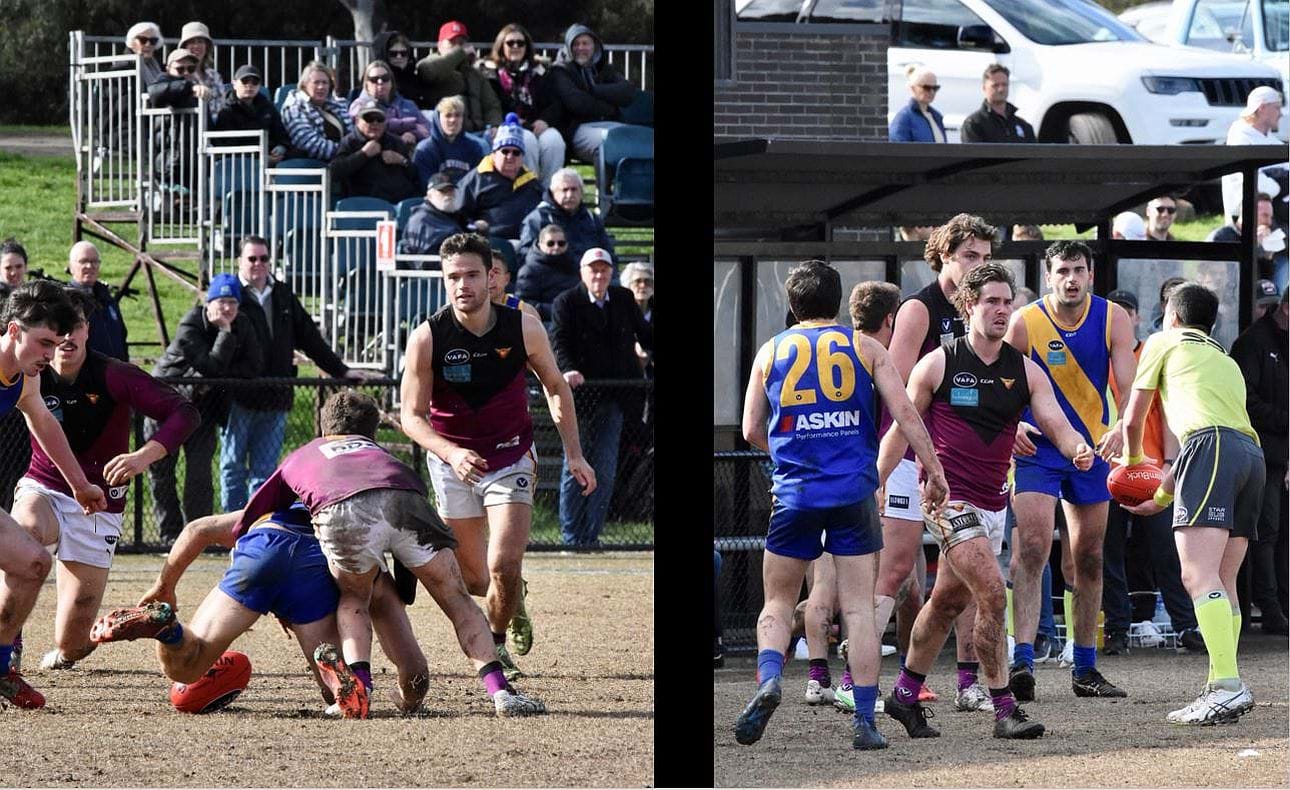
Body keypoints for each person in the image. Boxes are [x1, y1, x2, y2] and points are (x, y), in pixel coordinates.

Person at [732, 259, 950, 751]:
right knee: (857, 608)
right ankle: (866, 722)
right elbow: (905, 412)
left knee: (778, 601)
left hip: (795, 493)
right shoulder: (866, 346)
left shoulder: (771, 349)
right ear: (837, 301)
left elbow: (749, 429)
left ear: (792, 304)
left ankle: (770, 678)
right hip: (853, 492)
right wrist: (934, 469)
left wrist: (792, 454)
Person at [879, 263, 1094, 740]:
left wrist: (1076, 447)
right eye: (991, 301)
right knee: (995, 594)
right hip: (948, 502)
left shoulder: (1024, 369)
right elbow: (902, 428)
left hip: (995, 505)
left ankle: (904, 695)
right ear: (969, 306)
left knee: (944, 605)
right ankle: (1004, 708)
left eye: (1007, 301)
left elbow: (1055, 422)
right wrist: (874, 480)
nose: (1002, 310)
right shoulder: (939, 362)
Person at [235, 389, 548, 718]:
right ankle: (501, 693)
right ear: (371, 433)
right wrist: (406, 583)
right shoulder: (384, 457)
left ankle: (361, 685)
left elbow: (256, 510)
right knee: (458, 601)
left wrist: (241, 543)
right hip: (405, 497)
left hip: (344, 510)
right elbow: (406, 506)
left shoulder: (305, 453)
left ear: (324, 429)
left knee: (355, 597)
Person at [400, 233, 593, 680]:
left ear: (491, 278)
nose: (462, 284)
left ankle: (498, 644)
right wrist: (451, 453)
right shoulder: (427, 337)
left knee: (503, 564)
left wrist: (575, 456)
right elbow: (411, 417)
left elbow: (555, 387)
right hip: (453, 463)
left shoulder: (522, 326)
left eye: (471, 275)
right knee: (473, 579)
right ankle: (513, 598)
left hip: (510, 457)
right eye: (453, 277)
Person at [90, 505, 430, 716]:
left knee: (187, 667)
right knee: (336, 695)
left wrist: (165, 587)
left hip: (265, 541)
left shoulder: (270, 505)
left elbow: (198, 529)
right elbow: (407, 656)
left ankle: (167, 630)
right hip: (315, 559)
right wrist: (411, 696)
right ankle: (338, 674)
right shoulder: (350, 517)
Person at [12, 287, 198, 672]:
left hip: (100, 502)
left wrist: (144, 455)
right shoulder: (31, 369)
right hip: (45, 486)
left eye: (73, 326)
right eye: (55, 329)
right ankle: (9, 640)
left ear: (87, 330)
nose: (64, 337)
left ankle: (117, 633)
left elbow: (184, 412)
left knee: (75, 642)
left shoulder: (114, 374)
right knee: (24, 530)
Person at [1120, 283, 1265, 724]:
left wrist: (1130, 466)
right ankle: (1223, 682)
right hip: (1250, 456)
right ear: (1212, 322)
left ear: (1172, 316)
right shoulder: (1226, 359)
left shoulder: (1163, 341)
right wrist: (1162, 496)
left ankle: (1227, 685)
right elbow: (1207, 439)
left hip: (1212, 449)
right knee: (1224, 578)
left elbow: (1133, 419)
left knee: (1197, 574)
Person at [1003, 240, 1138, 701]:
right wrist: (1008, 428)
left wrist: (1124, 424)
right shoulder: (1025, 322)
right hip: (1037, 447)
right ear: (1048, 277)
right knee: (1034, 548)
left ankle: (1085, 667)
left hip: (1092, 449)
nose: (1071, 279)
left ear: (1091, 274)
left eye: (1078, 269)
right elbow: (998, 381)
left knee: (1090, 557)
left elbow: (1129, 383)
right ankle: (1021, 660)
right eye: (1062, 271)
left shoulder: (1112, 317)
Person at [875, 214, 994, 716]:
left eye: (986, 258)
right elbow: (895, 385)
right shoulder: (920, 309)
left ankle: (968, 682)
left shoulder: (984, 309)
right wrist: (901, 457)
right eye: (970, 256)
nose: (979, 266)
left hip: (961, 460)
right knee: (899, 572)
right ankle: (852, 675)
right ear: (944, 255)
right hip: (908, 454)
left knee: (967, 574)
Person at [0, 281, 107, 708]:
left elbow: (43, 422)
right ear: (13, 330)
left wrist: (80, 485)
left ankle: (2, 666)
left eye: (55, 344)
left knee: (34, 563)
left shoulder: (24, 377)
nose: (49, 354)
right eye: (43, 342)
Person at [220, 236, 377, 513]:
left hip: (277, 394)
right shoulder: (230, 294)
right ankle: (230, 529)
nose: (258, 264)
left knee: (265, 470)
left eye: (264, 258)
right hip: (239, 395)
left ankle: (255, 528)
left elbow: (309, 338)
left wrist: (340, 371)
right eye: (252, 259)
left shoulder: (282, 294)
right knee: (232, 466)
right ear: (240, 261)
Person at [808, 280, 899, 713]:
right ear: (890, 320)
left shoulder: (830, 348)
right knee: (876, 589)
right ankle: (851, 682)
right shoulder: (873, 354)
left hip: (815, 483)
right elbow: (902, 420)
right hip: (865, 482)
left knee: (824, 585)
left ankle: (817, 678)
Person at [1098, 289, 1201, 654]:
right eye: (1117, 314)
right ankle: (1117, 629)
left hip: (1153, 470)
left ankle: (1186, 625)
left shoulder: (1153, 354)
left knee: (1168, 552)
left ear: (1139, 318)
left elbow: (1168, 416)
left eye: (1129, 314)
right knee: (1108, 554)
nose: (1123, 320)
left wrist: (1171, 463)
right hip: (1106, 472)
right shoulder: (1098, 358)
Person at [148, 274, 261, 542]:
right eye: (221, 302)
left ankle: (198, 536)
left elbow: (253, 367)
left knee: (199, 474)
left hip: (202, 410)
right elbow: (209, 368)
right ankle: (169, 535)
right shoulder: (191, 323)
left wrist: (226, 341)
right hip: (166, 406)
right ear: (208, 303)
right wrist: (224, 333)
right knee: (162, 473)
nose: (227, 309)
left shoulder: (241, 324)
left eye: (232, 302)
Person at [552, 247, 652, 547]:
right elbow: (557, 340)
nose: (599, 275)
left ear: (611, 273)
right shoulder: (566, 302)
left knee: (605, 470)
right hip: (579, 400)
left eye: (604, 269)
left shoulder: (622, 298)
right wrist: (568, 370)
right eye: (593, 269)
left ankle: (591, 537)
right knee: (575, 465)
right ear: (583, 273)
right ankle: (572, 539)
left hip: (615, 397)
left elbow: (646, 333)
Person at [1228, 286, 1289, 635]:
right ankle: (1269, 607)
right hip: (1262, 453)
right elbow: (1246, 400)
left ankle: (1281, 602)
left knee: (1282, 534)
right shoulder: (1254, 343)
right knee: (1266, 532)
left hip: (1282, 452)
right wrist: (1285, 419)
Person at [481, 23, 566, 182]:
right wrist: (511, 120)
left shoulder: (541, 71)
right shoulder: (489, 72)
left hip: (537, 124)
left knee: (554, 141)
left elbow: (555, 102)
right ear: (501, 45)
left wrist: (545, 120)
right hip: (507, 125)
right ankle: (528, 191)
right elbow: (491, 105)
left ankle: (550, 194)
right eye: (510, 43)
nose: (515, 46)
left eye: (520, 43)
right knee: (527, 141)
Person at [546, 24, 636, 165]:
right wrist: (610, 106)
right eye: (576, 44)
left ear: (594, 45)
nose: (581, 48)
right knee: (609, 143)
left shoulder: (603, 67)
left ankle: (627, 186)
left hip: (610, 123)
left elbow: (628, 92)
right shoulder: (560, 70)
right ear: (568, 46)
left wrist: (593, 90)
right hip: (576, 129)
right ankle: (604, 187)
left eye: (585, 43)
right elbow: (577, 103)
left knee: (637, 139)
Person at [456, 115, 543, 240]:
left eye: (516, 152)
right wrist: (474, 227)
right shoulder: (475, 180)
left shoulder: (531, 182)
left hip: (526, 244)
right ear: (494, 153)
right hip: (489, 245)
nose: (510, 156)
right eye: (505, 151)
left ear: (522, 157)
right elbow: (458, 216)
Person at [415, 21, 503, 135]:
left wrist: (494, 126)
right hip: (444, 134)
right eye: (452, 42)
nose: (457, 47)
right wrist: (459, 53)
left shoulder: (475, 74)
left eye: (461, 43)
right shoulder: (429, 64)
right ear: (440, 45)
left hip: (478, 133)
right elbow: (429, 72)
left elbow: (491, 105)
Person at [328, 99, 420, 203]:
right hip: (365, 205)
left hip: (399, 202)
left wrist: (402, 161)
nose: (375, 123)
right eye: (369, 118)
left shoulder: (396, 141)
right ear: (358, 121)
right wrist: (363, 154)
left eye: (379, 119)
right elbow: (334, 172)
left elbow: (415, 176)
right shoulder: (349, 142)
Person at [517, 167, 615, 264]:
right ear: (553, 192)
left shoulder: (592, 220)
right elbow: (526, 257)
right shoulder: (537, 219)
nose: (569, 195)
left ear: (581, 192)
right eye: (564, 190)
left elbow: (609, 256)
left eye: (574, 189)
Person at [1221, 86, 1287, 223]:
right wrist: (1280, 184)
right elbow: (1251, 181)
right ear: (1262, 108)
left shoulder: (1276, 143)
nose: (1280, 114)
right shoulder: (1239, 137)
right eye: (1277, 108)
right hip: (1246, 221)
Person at [212, 65, 291, 164]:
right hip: (239, 164)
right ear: (234, 83)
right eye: (245, 81)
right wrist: (260, 158)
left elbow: (282, 134)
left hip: (269, 157)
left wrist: (281, 147)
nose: (250, 85)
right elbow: (228, 147)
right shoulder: (225, 111)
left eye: (255, 82)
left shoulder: (267, 107)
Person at [1207, 193, 1288, 290]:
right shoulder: (1221, 237)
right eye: (1265, 215)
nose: (1269, 222)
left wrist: (1267, 258)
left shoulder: (1259, 239)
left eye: (1271, 217)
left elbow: (1264, 281)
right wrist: (1253, 247)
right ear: (1248, 213)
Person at [66, 242, 127, 362]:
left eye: (94, 261)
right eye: (83, 261)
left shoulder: (107, 298)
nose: (90, 266)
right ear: (71, 267)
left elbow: (121, 336)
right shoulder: (68, 300)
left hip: (115, 370)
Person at [348, 59, 429, 148]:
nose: (380, 82)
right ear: (367, 84)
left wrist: (413, 134)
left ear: (391, 82)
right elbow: (377, 125)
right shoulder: (358, 105)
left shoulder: (408, 104)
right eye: (374, 79)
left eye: (385, 78)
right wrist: (412, 123)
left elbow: (427, 128)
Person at [281, 62, 353, 162]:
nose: (321, 87)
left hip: (345, 161)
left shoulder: (338, 104)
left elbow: (353, 134)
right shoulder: (294, 107)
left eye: (325, 83)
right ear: (304, 85)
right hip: (314, 166)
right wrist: (350, 152)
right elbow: (310, 145)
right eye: (316, 82)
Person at [411, 96, 488, 187]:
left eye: (457, 115)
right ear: (438, 118)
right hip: (437, 198)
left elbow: (481, 181)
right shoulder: (425, 150)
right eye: (448, 115)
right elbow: (425, 186)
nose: (453, 120)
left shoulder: (475, 147)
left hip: (468, 198)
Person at [516, 224, 578, 325]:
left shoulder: (575, 266)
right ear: (540, 244)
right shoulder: (529, 271)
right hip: (544, 322)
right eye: (550, 243)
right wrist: (558, 310)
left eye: (561, 243)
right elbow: (523, 304)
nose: (556, 247)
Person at [960, 64, 1036, 144]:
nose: (1001, 89)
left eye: (1004, 84)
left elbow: (1034, 154)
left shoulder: (1024, 126)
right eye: (995, 85)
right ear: (984, 88)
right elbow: (973, 155)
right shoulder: (974, 124)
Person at [400, 172, 471, 256]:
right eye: (442, 191)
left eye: (450, 190)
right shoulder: (421, 219)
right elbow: (426, 262)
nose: (448, 195)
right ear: (429, 195)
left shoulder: (454, 215)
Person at [176, 21, 226, 120]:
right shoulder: (178, 73)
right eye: (191, 42)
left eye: (200, 41)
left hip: (215, 128)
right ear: (184, 47)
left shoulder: (215, 75)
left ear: (207, 46)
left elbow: (222, 105)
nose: (196, 46)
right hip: (189, 127)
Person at [370, 31, 431, 111]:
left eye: (403, 53)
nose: (399, 57)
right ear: (385, 54)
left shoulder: (414, 77)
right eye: (393, 54)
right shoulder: (376, 77)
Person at [889, 64, 945, 143]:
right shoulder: (904, 118)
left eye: (935, 88)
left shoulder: (937, 117)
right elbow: (896, 149)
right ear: (913, 88)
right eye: (926, 88)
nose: (932, 92)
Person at [488, 249, 540, 322]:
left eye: (495, 272)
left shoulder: (526, 312)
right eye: (486, 272)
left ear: (506, 279)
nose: (489, 278)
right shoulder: (467, 311)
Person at [124, 21, 164, 86]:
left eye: (153, 41)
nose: (148, 44)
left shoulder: (160, 66)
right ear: (132, 42)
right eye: (143, 40)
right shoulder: (124, 68)